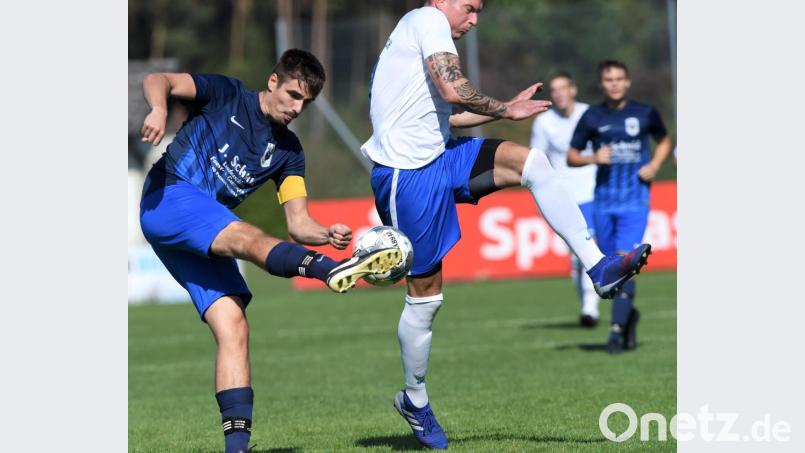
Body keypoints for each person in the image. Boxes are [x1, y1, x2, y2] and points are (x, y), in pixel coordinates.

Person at [362, 1, 651, 448]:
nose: (474, 20)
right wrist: (506, 110)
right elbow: (454, 89)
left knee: (533, 163)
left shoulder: (419, 28)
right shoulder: (429, 20)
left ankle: (598, 267)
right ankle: (414, 399)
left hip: (441, 154)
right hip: (406, 174)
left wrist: (505, 108)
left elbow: (449, 111)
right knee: (426, 296)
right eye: (470, 8)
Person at [138, 49, 402, 453]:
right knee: (247, 237)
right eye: (293, 95)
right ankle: (330, 270)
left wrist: (324, 232)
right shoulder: (226, 94)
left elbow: (298, 223)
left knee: (233, 325)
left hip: (201, 228)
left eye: (306, 103)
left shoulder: (289, 153)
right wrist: (159, 109)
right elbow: (159, 79)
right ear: (273, 81)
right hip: (169, 195)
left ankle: (237, 449)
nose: (297, 108)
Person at [567, 59, 673, 354]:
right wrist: (593, 158)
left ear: (627, 82)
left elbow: (664, 141)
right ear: (601, 84)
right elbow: (571, 156)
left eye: (618, 79)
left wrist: (655, 165)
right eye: (608, 80)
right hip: (603, 202)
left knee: (626, 261)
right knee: (612, 264)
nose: (614, 84)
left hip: (634, 202)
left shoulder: (645, 112)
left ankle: (615, 331)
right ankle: (628, 319)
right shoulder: (592, 116)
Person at [530, 71, 600, 327]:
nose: (559, 94)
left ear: (573, 89)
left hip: (592, 192)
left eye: (563, 88)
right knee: (576, 258)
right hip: (563, 197)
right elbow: (536, 161)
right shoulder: (544, 122)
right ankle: (586, 305)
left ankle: (590, 309)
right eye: (554, 90)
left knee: (591, 248)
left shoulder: (590, 114)